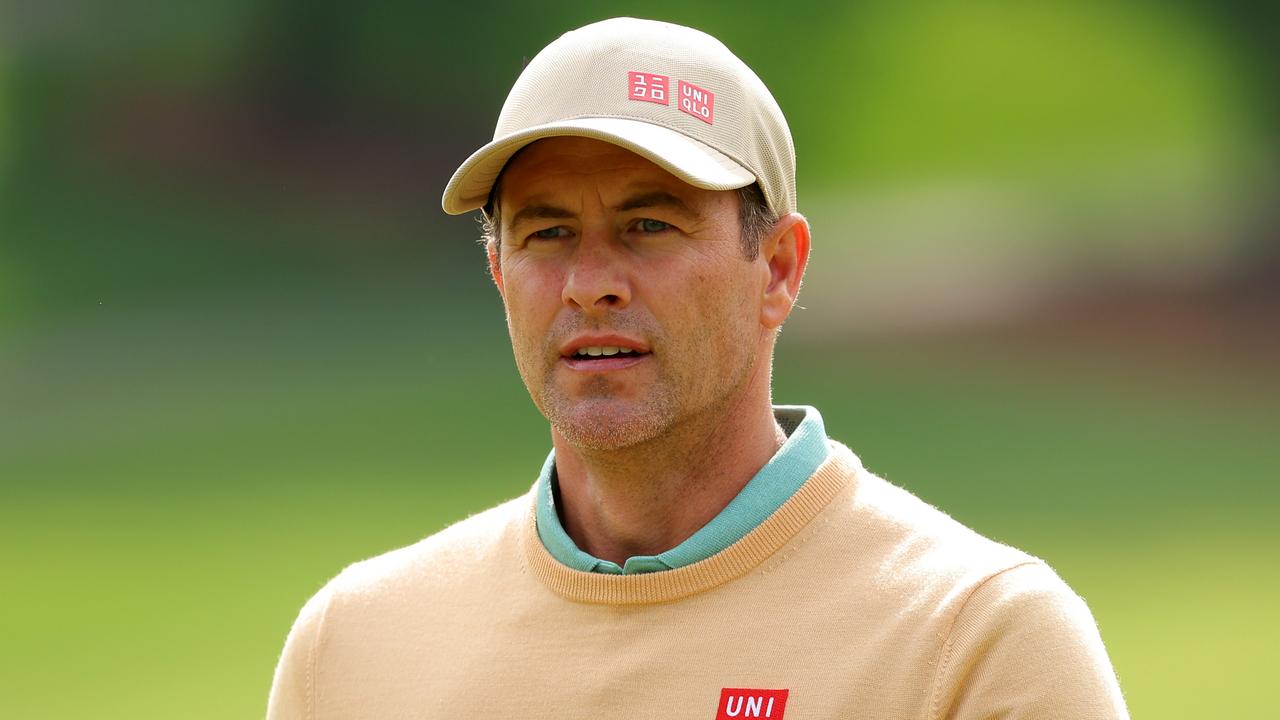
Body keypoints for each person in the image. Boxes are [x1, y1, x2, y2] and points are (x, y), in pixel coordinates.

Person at [267, 17, 1128, 719]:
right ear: (498, 272)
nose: (591, 284)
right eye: (546, 231)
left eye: (651, 227)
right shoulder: (353, 647)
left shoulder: (976, 639)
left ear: (780, 270)